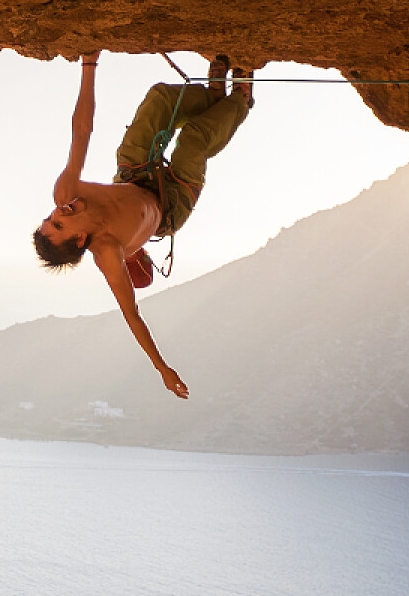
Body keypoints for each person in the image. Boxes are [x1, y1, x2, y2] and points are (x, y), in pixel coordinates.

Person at [33, 52, 254, 399]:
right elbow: (132, 314)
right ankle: (240, 99)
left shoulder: (66, 192)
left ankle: (211, 96)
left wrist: (88, 65)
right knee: (194, 139)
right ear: (78, 240)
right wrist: (162, 368)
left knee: (160, 100)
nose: (57, 212)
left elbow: (81, 130)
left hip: (135, 174)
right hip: (170, 203)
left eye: (49, 218)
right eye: (58, 225)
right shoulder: (107, 251)